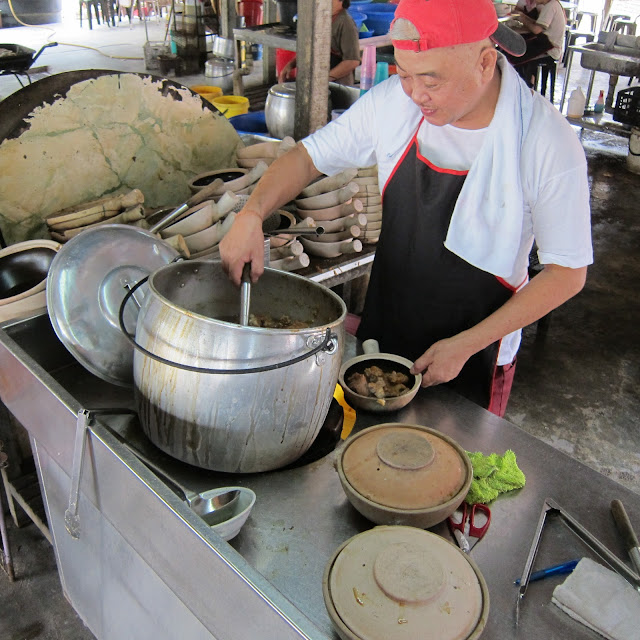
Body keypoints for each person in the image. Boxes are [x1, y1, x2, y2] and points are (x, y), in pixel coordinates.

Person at [220, 0, 592, 417]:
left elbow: (567, 272)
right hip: (384, 338)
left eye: (430, 79)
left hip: (474, 356)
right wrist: (251, 214)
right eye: (404, 73)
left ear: (486, 62)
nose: (415, 93)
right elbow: (306, 158)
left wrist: (467, 344)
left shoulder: (546, 143)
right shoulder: (394, 105)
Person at [277, 0, 361, 86]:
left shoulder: (346, 23)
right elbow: (311, 49)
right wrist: (290, 65)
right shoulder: (320, 17)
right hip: (314, 82)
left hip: (337, 86)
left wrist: (325, 79)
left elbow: (352, 61)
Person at [507, 0, 567, 87]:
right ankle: (524, 83)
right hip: (547, 44)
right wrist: (523, 16)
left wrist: (523, 19)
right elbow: (538, 24)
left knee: (516, 54)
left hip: (550, 48)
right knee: (517, 50)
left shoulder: (550, 6)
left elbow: (536, 29)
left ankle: (524, 85)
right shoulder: (553, 4)